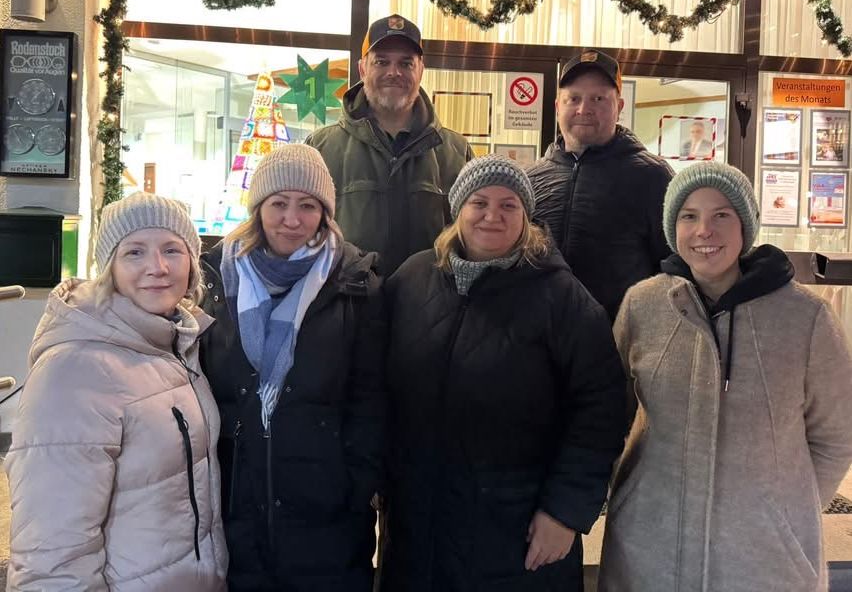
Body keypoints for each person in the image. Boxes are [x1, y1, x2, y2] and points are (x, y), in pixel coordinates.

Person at [598, 162, 852, 592]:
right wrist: (625, 492)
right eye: (689, 216)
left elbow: (837, 434)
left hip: (765, 560)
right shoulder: (643, 306)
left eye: (721, 215)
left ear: (745, 225)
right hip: (649, 549)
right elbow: (607, 413)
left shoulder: (805, 318)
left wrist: (788, 508)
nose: (704, 231)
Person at [381, 155, 626, 592]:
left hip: (518, 536)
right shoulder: (411, 281)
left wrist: (565, 512)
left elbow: (600, 412)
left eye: (509, 205)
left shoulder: (563, 298)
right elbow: (378, 390)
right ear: (458, 210)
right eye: (479, 202)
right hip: (418, 532)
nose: (492, 215)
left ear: (527, 217)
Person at [5, 193, 227, 590]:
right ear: (109, 267)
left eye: (172, 250)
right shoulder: (74, 367)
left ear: (193, 263)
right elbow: (52, 552)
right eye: (135, 252)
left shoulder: (176, 343)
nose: (157, 268)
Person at [199, 143, 386, 591]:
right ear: (258, 208)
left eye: (307, 206)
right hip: (235, 503)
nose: (291, 219)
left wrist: (353, 486)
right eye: (278, 204)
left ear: (325, 212)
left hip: (326, 513)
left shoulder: (356, 285)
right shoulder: (214, 281)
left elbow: (373, 399)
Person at [307, 14, 472, 274]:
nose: (393, 73)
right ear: (362, 69)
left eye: (406, 63)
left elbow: (470, 242)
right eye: (381, 62)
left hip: (430, 310)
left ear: (420, 70)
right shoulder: (320, 148)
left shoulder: (456, 151)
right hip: (347, 308)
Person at [527, 49, 673, 320]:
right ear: (558, 106)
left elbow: (673, 268)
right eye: (574, 98)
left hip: (619, 344)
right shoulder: (531, 178)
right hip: (538, 345)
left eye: (598, 98)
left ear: (619, 106)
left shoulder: (653, 177)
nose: (584, 109)